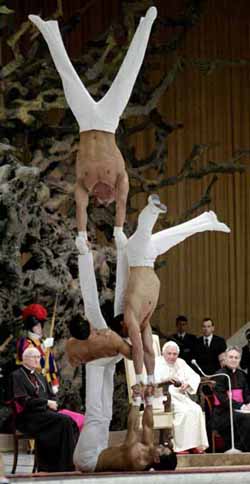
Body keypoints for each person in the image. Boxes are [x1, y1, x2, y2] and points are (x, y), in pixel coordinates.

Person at [28, 7, 157, 248]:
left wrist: (81, 235)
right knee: (128, 75)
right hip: (109, 121)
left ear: (98, 200)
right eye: (111, 200)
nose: (108, 200)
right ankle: (146, 24)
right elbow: (121, 207)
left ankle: (48, 29)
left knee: (67, 76)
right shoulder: (120, 181)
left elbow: (80, 211)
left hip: (85, 121)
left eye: (103, 201)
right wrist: (119, 231)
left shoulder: (84, 186)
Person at [114, 195, 230, 390]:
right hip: (148, 258)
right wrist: (150, 380)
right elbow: (149, 350)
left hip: (136, 255)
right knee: (176, 235)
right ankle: (207, 221)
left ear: (122, 326)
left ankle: (152, 207)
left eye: (125, 333)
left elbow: (138, 350)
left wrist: (140, 380)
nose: (130, 336)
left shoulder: (130, 316)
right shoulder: (144, 323)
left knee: (143, 231)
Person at [74, 386, 177, 472]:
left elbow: (133, 428)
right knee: (105, 415)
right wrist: (148, 400)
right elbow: (148, 425)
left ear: (156, 459)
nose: (161, 445)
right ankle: (105, 367)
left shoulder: (137, 461)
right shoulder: (149, 448)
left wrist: (137, 399)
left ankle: (95, 367)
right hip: (100, 451)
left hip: (89, 461)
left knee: (94, 417)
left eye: (162, 449)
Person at [10, 347, 80, 472]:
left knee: (70, 422)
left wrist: (54, 403)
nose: (38, 360)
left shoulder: (40, 375)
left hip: (44, 414)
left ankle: (66, 463)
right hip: (28, 417)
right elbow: (23, 401)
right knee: (63, 421)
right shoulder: (17, 376)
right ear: (25, 359)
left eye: (39, 357)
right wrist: (46, 403)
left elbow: (50, 395)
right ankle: (56, 466)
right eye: (34, 357)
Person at [66, 248, 132, 365]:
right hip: (113, 342)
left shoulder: (71, 344)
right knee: (92, 303)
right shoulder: (109, 337)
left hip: (100, 354)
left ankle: (85, 251)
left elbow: (73, 362)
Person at [154, 341, 208, 454]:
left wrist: (187, 384)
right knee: (184, 411)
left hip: (180, 396)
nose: (172, 357)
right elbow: (152, 382)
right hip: (163, 397)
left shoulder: (181, 362)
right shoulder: (156, 363)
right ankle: (180, 447)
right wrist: (166, 380)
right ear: (163, 353)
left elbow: (195, 376)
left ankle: (194, 444)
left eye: (175, 354)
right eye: (169, 354)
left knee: (196, 409)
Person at [212, 346, 250, 452]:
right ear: (226, 358)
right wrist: (241, 406)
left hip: (240, 411)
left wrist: (248, 404)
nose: (233, 360)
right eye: (231, 357)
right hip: (223, 413)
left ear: (240, 360)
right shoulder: (220, 374)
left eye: (236, 358)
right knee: (247, 418)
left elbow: (247, 395)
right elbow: (222, 398)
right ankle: (239, 449)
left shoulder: (242, 375)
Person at [16, 304, 59, 394]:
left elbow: (51, 364)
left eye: (40, 325)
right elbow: (28, 357)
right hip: (32, 385)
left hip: (48, 384)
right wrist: (43, 347)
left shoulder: (43, 341)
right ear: (29, 326)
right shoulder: (23, 342)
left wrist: (55, 382)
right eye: (36, 326)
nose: (39, 328)